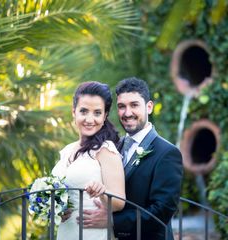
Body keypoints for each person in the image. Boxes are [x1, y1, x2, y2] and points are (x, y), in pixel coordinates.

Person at [83, 77, 184, 240]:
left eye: (134, 105)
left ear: (149, 107)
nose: (127, 113)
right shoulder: (113, 147)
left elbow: (162, 211)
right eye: (122, 106)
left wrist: (112, 221)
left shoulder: (167, 153)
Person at [51, 81, 125, 240]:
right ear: (74, 112)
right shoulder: (67, 150)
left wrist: (102, 192)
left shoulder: (106, 150)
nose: (89, 119)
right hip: (66, 232)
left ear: (105, 116)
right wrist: (55, 209)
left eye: (97, 113)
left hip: (90, 233)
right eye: (83, 111)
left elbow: (119, 201)